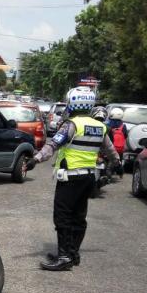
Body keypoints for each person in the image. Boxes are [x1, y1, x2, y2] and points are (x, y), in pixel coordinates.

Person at [26, 87, 121, 271]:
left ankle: (64, 257)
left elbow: (53, 144)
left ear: (73, 104)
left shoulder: (71, 125)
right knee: (78, 216)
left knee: (62, 216)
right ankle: (73, 253)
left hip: (70, 178)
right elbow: (110, 150)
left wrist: (35, 160)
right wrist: (117, 163)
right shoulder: (100, 127)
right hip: (88, 178)